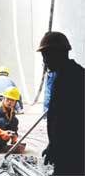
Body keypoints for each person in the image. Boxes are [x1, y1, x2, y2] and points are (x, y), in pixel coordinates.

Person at [37, 32, 84, 175]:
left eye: (46, 55)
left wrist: (56, 146)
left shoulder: (69, 79)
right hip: (69, 149)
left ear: (59, 54)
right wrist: (52, 144)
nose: (45, 61)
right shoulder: (70, 75)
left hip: (72, 150)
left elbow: (67, 121)